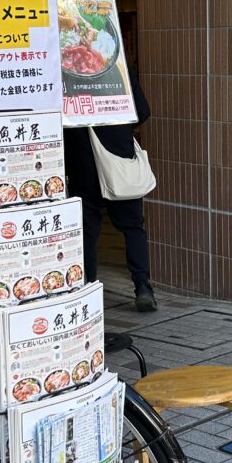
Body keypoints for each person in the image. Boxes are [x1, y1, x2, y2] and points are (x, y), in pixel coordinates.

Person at [64, 69, 157, 311]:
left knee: (86, 231)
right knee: (133, 226)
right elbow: (142, 112)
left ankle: (88, 291)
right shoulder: (118, 72)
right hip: (118, 159)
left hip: (81, 161)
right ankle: (143, 287)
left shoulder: (63, 77)